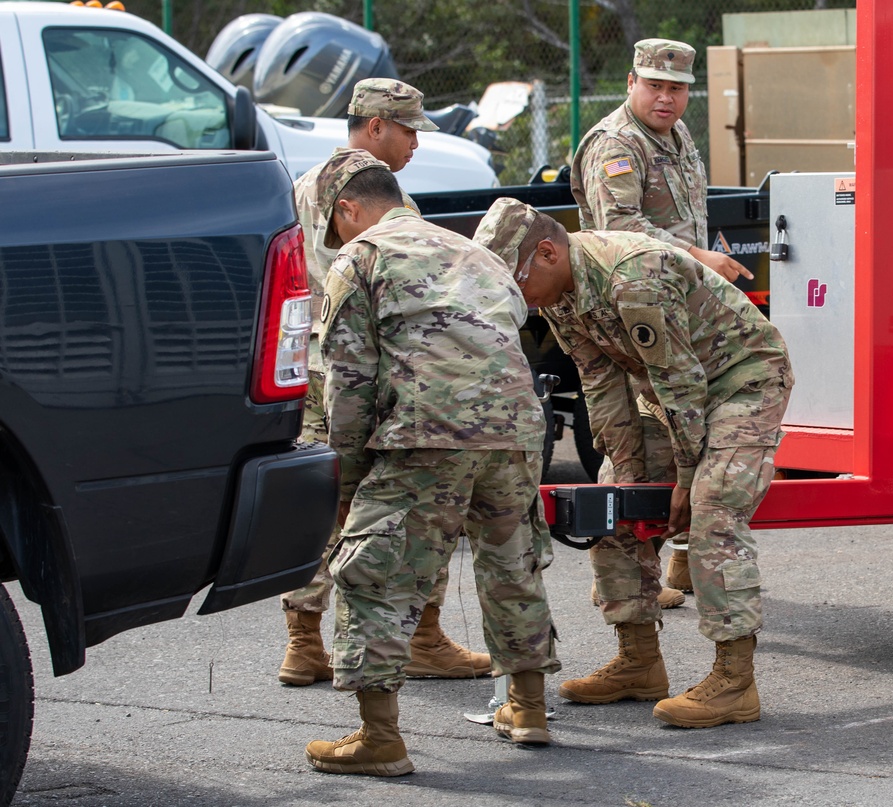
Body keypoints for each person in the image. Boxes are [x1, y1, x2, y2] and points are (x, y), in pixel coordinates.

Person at [473, 198, 793, 728]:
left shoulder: (632, 275)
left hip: (742, 379)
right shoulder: (557, 293)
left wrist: (687, 478)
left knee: (714, 505)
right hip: (668, 392)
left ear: (547, 253)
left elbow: (681, 380)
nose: (516, 297)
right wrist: (625, 468)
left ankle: (735, 682)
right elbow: (600, 383)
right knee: (609, 502)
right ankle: (639, 660)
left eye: (515, 281)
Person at [303, 151, 560, 776]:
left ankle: (379, 739)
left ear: (347, 209)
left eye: (331, 223)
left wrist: (350, 476)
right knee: (511, 563)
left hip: (428, 431)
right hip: (516, 430)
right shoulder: (475, 251)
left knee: (373, 573)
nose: (333, 236)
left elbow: (348, 377)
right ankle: (527, 709)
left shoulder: (360, 257)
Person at [279, 78, 490, 688]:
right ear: (375, 126)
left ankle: (303, 642)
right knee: (414, 505)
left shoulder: (300, 187)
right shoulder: (385, 202)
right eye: (409, 129)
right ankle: (422, 637)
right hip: (375, 378)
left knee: (320, 506)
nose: (416, 142)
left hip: (314, 371)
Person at [571, 39, 756, 602]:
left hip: (676, 308)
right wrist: (701, 260)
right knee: (638, 448)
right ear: (632, 82)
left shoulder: (674, 138)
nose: (665, 97)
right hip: (632, 312)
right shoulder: (617, 145)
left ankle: (672, 561)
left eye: (676, 89)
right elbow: (621, 232)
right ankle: (622, 584)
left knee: (679, 434)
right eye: (655, 85)